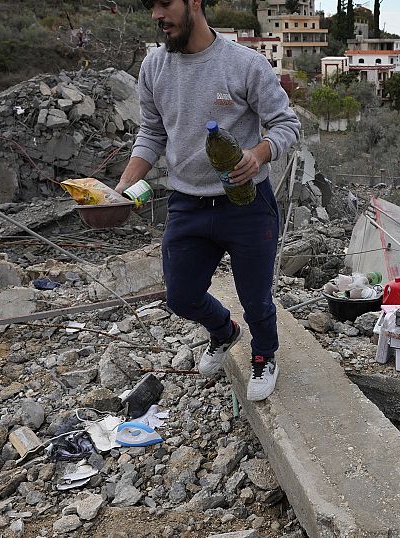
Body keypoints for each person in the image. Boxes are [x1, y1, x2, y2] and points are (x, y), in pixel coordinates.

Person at [116, 0, 300, 402]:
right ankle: (224, 331)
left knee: (256, 299)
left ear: (194, 2)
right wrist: (120, 189)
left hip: (247, 203)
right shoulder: (154, 67)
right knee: (181, 296)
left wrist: (258, 153)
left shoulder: (246, 65)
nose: (156, 16)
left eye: (165, 4)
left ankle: (265, 355)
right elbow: (151, 134)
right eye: (152, 7)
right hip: (187, 204)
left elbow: (287, 125)